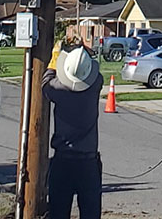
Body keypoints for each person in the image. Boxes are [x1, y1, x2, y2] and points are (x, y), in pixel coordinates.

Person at [42, 42, 103, 219]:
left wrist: (55, 57)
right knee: (91, 214)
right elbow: (93, 69)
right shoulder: (95, 84)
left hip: (63, 162)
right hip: (88, 163)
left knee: (58, 213)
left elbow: (45, 82)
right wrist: (83, 49)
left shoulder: (58, 89)